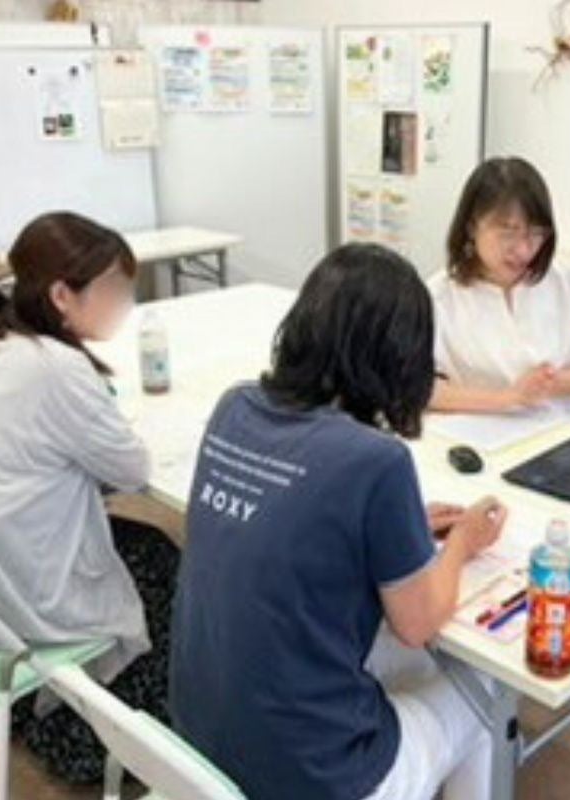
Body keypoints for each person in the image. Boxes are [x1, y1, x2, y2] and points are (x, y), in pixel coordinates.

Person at [169, 243, 508, 800]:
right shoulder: (377, 460)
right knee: (485, 691)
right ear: (400, 356)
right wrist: (462, 544)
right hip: (316, 778)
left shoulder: (234, 407)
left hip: (196, 748)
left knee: (407, 662)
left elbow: (293, 518)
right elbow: (419, 622)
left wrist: (396, 531)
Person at [0, 211, 179, 783]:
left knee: (136, 545)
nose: (126, 303)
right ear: (61, 295)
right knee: (159, 559)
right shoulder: (58, 367)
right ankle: (93, 741)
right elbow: (132, 470)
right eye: (114, 289)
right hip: (10, 570)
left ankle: (55, 714)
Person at [428, 156, 570, 418]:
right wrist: (508, 398)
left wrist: (546, 385)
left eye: (536, 233)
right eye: (508, 233)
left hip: (556, 431)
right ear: (471, 227)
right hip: (475, 432)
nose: (524, 250)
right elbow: (423, 390)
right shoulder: (438, 297)